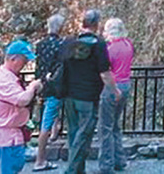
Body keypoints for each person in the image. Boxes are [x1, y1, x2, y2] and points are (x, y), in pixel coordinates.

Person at [62, 10, 119, 174]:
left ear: (82, 23)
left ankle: (79, 170)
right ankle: (72, 170)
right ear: (96, 24)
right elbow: (104, 72)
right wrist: (114, 90)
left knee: (74, 132)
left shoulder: (69, 41)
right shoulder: (99, 44)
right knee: (84, 135)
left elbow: (61, 64)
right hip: (88, 96)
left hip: (69, 96)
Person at [0, 40, 44, 174]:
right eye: (24, 60)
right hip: (6, 139)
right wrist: (33, 87)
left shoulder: (10, 78)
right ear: (13, 59)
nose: (25, 64)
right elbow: (22, 100)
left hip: (12, 137)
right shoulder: (3, 80)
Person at [98, 19, 134, 174]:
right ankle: (120, 160)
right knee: (115, 125)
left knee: (105, 127)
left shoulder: (109, 49)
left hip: (112, 87)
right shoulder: (128, 44)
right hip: (126, 84)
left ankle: (106, 164)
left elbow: (105, 71)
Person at [33, 14, 65, 171]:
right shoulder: (61, 44)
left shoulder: (40, 44)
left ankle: (55, 131)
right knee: (45, 124)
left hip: (43, 86)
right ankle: (40, 160)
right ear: (61, 28)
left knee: (48, 116)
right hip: (58, 87)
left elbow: (39, 67)